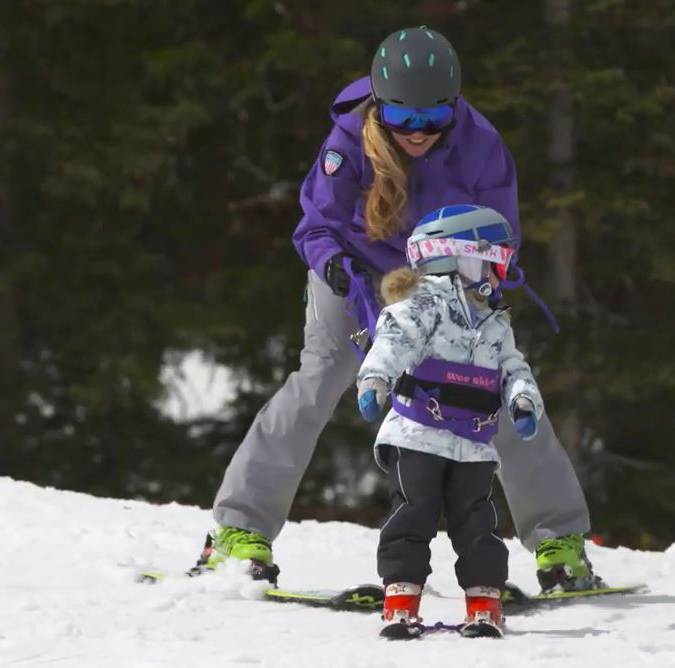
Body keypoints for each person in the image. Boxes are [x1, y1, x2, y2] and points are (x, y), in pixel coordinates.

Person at [199, 26, 597, 592]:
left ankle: (561, 541)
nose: (417, 133)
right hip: (353, 271)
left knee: (490, 384)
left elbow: (498, 230)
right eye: (403, 119)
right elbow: (316, 223)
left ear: (453, 107)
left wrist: (483, 285)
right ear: (380, 106)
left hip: (443, 275)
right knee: (322, 375)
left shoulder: (481, 145)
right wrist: (334, 265)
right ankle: (238, 531)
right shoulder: (347, 142)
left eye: (432, 119)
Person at [358, 204, 543, 640]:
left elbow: (512, 367)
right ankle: (401, 602)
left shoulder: (496, 322)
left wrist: (523, 402)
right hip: (418, 434)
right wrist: (374, 381)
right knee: (413, 512)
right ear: (463, 257)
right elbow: (394, 340)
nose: (503, 272)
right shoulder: (424, 306)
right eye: (496, 260)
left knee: (478, 521)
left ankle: (484, 604)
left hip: (473, 441)